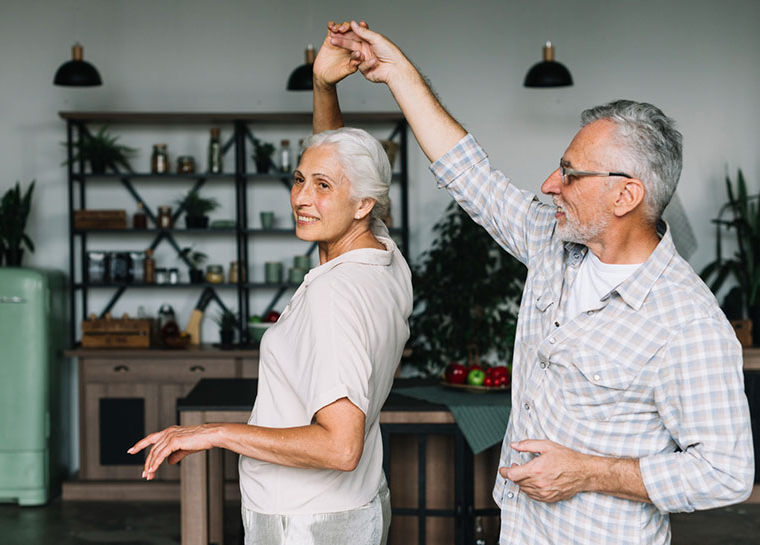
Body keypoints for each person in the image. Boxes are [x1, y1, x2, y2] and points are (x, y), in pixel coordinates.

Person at [313, 20, 754, 545]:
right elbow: (468, 172)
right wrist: (395, 72)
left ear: (625, 196)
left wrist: (589, 471)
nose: (550, 185)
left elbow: (725, 472)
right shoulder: (552, 242)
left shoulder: (687, 321)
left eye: (570, 173)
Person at [129, 126, 412, 545]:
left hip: (305, 523)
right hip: (354, 507)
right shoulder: (386, 259)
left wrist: (214, 432)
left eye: (322, 186)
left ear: (363, 204)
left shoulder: (333, 294)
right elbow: (336, 154)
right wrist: (323, 84)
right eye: (299, 179)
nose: (300, 197)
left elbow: (340, 448)